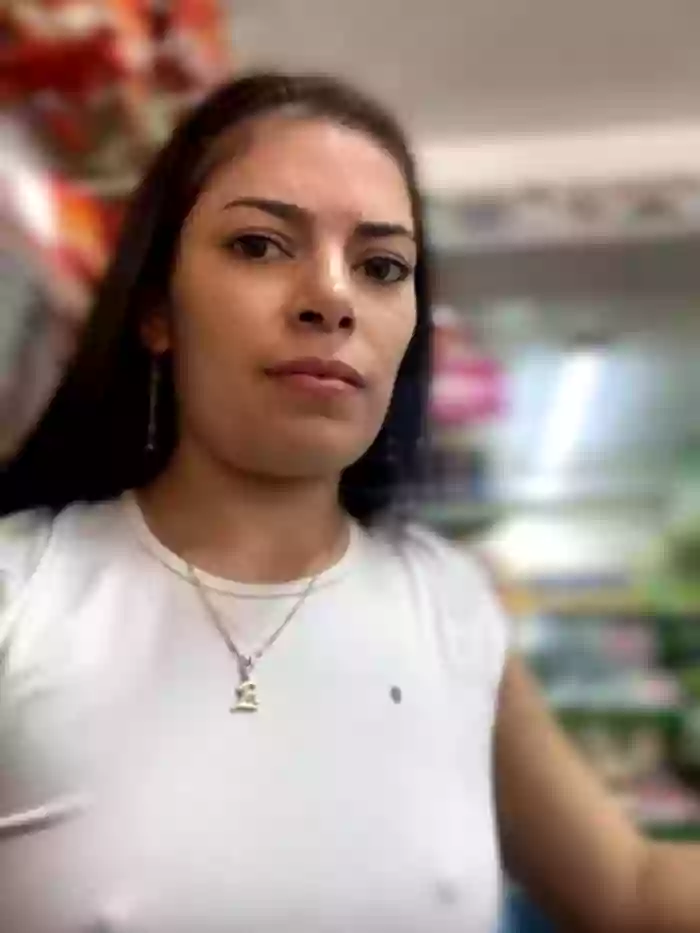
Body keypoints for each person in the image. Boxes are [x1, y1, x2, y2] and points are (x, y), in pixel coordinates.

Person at [0, 72, 697, 933]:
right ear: (156, 309)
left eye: (381, 267)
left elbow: (629, 887)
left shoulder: (448, 605)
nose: (332, 296)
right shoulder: (22, 594)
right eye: (260, 245)